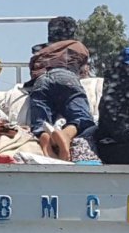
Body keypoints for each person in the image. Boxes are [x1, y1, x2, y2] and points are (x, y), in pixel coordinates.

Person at [27, 16, 95, 161]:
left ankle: (45, 138)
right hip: (66, 77)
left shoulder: (41, 51)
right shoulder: (77, 46)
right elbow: (83, 70)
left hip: (41, 81)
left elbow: (33, 71)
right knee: (82, 118)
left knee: (40, 123)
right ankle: (65, 135)